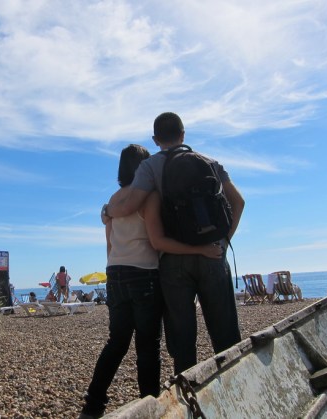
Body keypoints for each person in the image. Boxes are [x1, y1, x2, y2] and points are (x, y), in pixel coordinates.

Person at [80, 144, 224, 419]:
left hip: (115, 273)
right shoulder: (149, 197)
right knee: (147, 347)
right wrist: (200, 249)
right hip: (144, 274)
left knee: (116, 343)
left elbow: (110, 244)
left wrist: (118, 270)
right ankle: (148, 407)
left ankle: (93, 405)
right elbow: (157, 242)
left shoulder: (113, 201)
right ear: (144, 168)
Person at [104, 112, 245, 375]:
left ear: (155, 139)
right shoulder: (210, 162)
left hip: (173, 258)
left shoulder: (149, 166)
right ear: (183, 134)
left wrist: (108, 211)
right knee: (225, 332)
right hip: (213, 254)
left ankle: (187, 387)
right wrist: (224, 241)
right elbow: (238, 202)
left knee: (182, 338)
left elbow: (132, 205)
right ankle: (234, 381)